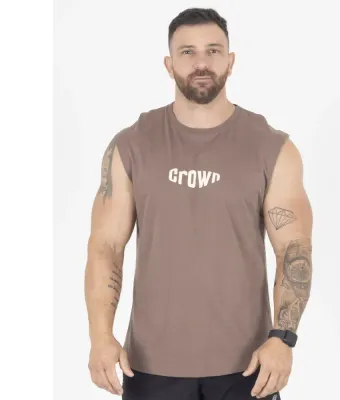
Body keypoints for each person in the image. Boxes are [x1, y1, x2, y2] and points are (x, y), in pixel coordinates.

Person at [84, 7, 313, 400]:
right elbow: (106, 247)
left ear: (231, 61)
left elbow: (294, 249)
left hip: (250, 367)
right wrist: (100, 337)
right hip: (150, 367)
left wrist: (283, 338)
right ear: (169, 64)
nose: (201, 63)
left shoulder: (272, 147)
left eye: (213, 50)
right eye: (187, 52)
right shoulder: (131, 145)